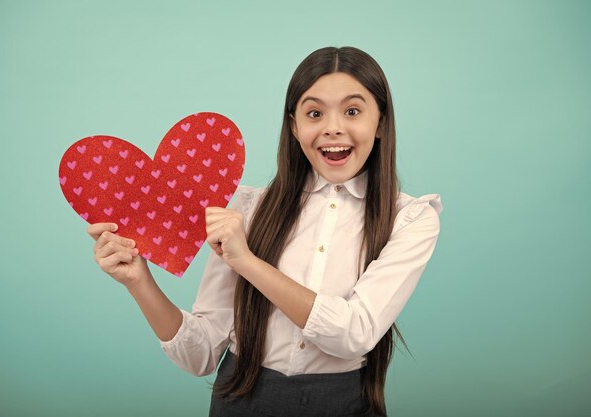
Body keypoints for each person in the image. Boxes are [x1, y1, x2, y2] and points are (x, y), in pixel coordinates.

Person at [87, 46, 443, 417]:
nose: (333, 127)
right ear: (294, 125)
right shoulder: (247, 210)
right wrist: (138, 282)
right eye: (314, 113)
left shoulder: (411, 219)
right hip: (241, 399)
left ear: (381, 122)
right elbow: (202, 355)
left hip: (344, 403)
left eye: (352, 111)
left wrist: (249, 262)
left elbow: (354, 333)